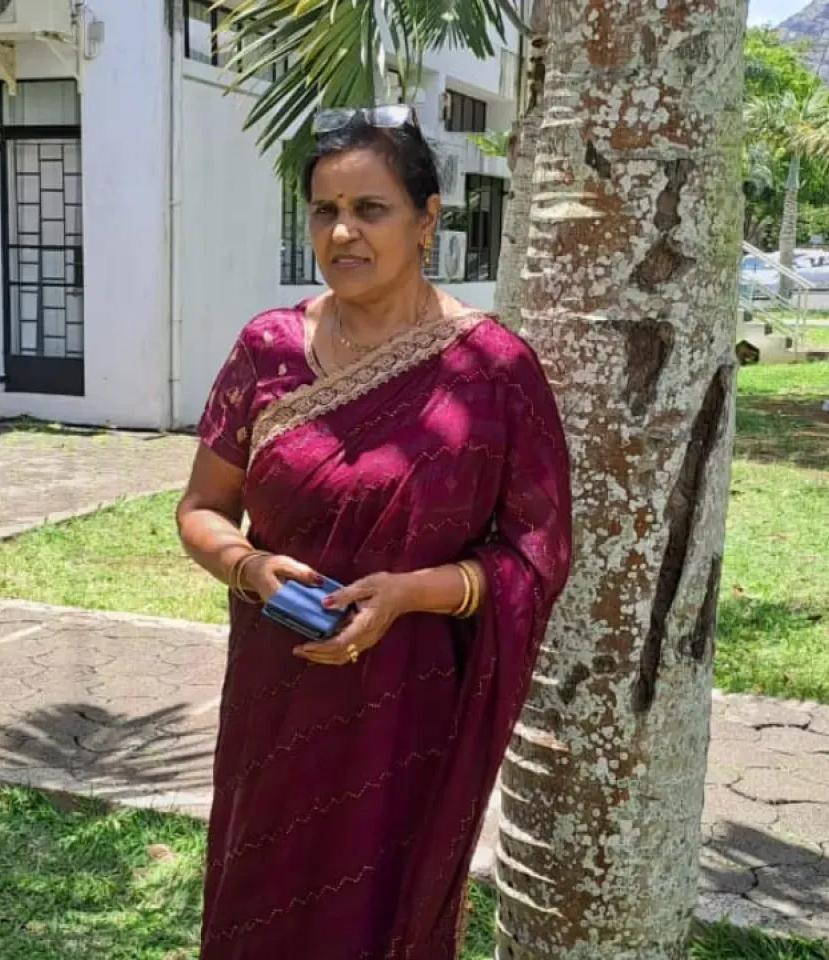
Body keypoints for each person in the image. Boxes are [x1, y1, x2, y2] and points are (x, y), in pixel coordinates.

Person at [174, 105, 573, 958]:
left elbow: (536, 551)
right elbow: (201, 508)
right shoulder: (268, 348)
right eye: (324, 210)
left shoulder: (493, 369)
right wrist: (248, 568)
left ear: (427, 219)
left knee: (378, 911)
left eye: (371, 209)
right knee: (260, 901)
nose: (342, 232)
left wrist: (409, 594)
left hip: (406, 707)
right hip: (277, 692)